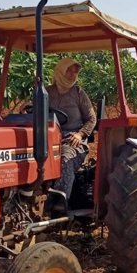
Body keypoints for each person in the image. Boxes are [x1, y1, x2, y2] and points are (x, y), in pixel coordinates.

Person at [47, 58, 97, 209]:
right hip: (47, 137)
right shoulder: (47, 92)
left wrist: (80, 134)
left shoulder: (79, 93)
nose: (72, 75)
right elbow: (31, 109)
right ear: (61, 71)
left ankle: (59, 202)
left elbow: (91, 119)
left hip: (71, 139)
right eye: (69, 70)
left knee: (65, 157)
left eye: (75, 72)